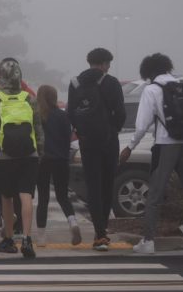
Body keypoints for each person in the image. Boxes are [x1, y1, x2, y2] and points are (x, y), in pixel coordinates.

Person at [122, 53, 183, 255]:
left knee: (154, 194)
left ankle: (148, 241)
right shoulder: (182, 87)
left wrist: (130, 146)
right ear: (167, 67)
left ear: (148, 71)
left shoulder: (152, 90)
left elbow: (142, 125)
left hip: (166, 145)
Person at [66, 47, 125, 251]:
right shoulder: (111, 82)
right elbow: (121, 113)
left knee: (93, 185)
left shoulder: (75, 83)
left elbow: (70, 113)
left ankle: (98, 231)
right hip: (109, 140)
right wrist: (112, 129)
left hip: (87, 141)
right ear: (104, 63)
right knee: (107, 183)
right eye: (108, 63)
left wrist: (81, 132)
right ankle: (102, 234)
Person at [0, 58, 42, 259]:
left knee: (7, 198)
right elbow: (38, 129)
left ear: (1, 77)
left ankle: (9, 239)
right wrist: (40, 152)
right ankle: (27, 238)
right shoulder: (30, 98)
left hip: (5, 155)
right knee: (26, 195)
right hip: (29, 154)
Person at [34, 84, 81, 247]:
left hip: (42, 161)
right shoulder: (63, 116)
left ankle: (41, 237)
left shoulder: (37, 117)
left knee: (43, 198)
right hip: (61, 160)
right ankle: (73, 222)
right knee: (63, 196)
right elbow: (68, 137)